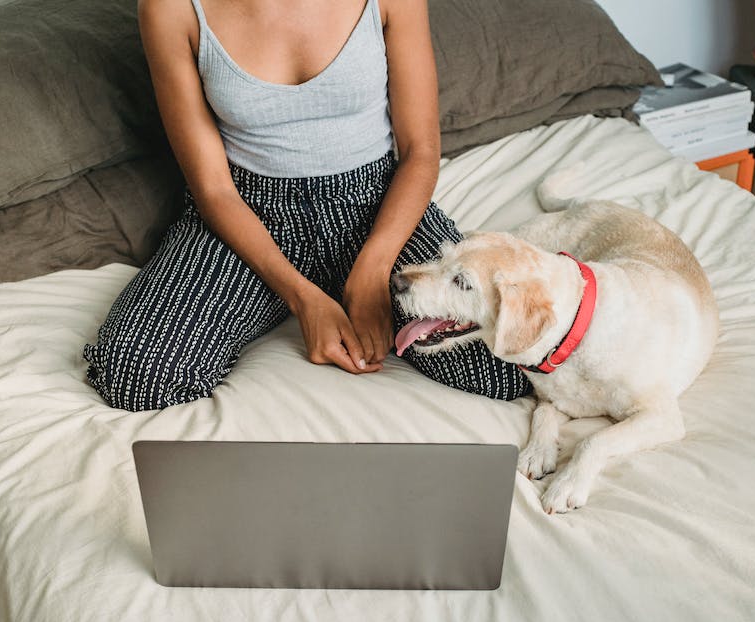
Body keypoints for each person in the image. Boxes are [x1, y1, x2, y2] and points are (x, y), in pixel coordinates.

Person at [83, 0, 532, 411]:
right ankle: (294, 297)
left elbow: (420, 151)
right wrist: (303, 300)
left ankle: (342, 284)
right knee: (136, 373)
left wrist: (373, 271)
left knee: (510, 362)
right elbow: (213, 190)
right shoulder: (170, 8)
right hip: (248, 214)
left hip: (377, 207)